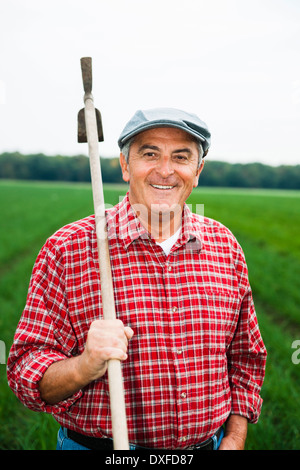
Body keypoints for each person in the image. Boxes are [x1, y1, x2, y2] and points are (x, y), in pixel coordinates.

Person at [7, 108, 267, 451]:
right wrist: (84, 366)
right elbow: (25, 371)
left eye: (181, 156)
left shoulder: (225, 246)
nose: (165, 170)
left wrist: (234, 438)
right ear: (125, 165)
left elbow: (246, 357)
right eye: (149, 154)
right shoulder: (67, 249)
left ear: (197, 170)